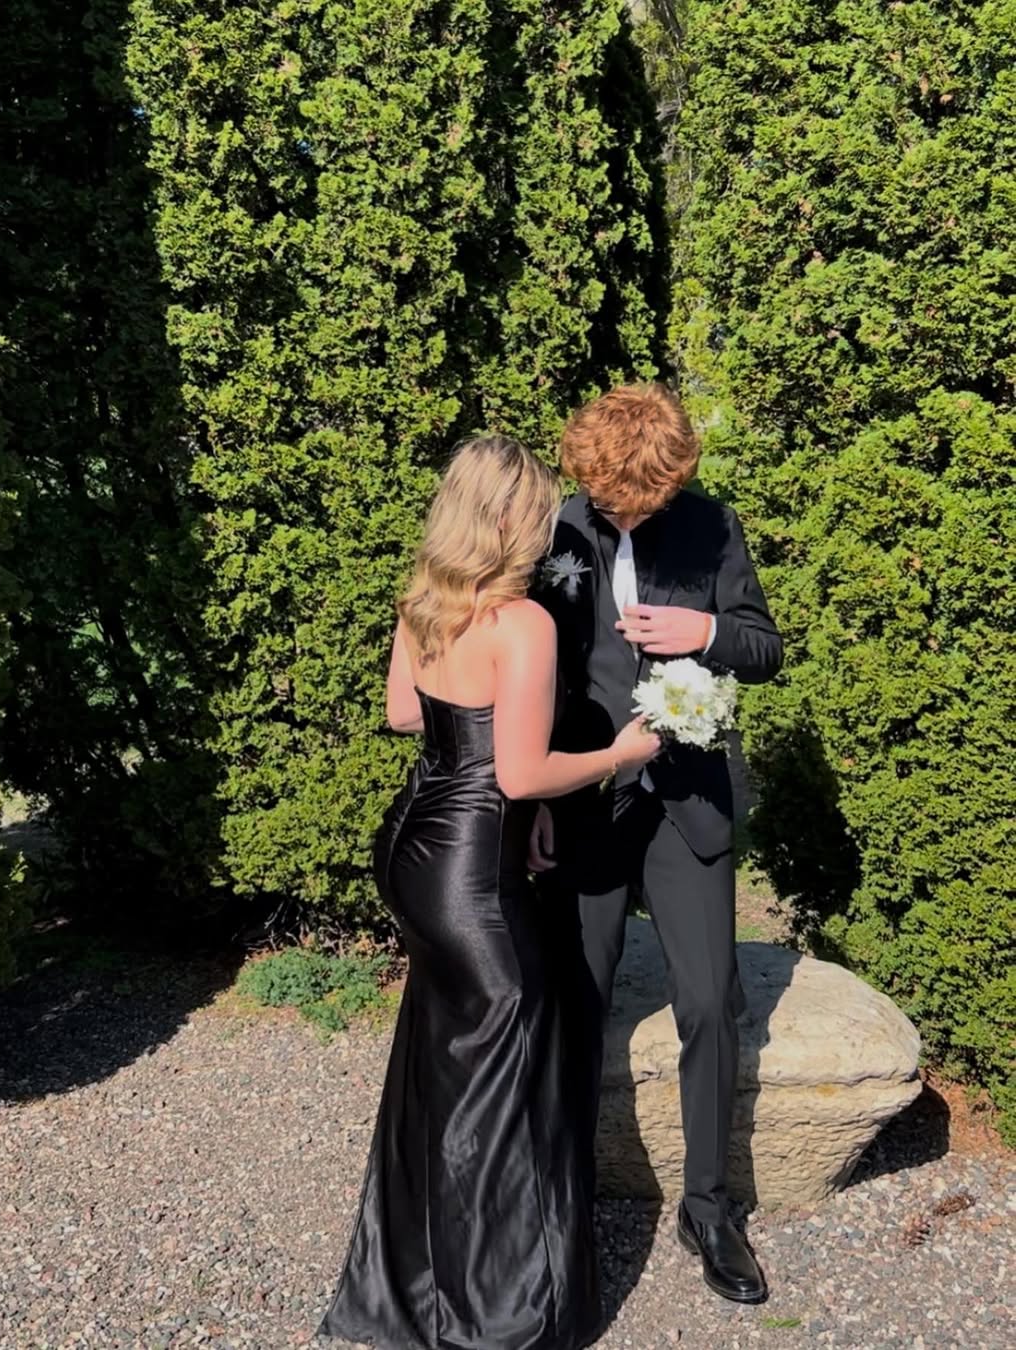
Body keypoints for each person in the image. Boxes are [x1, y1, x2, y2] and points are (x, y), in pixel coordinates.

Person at [320, 435, 661, 1350]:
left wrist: (509, 781)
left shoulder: (425, 600)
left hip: (412, 851)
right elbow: (519, 771)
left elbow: (405, 713)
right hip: (473, 872)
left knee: (447, 1056)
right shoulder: (522, 623)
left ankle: (418, 1287)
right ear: (509, 517)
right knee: (506, 1063)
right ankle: (498, 1312)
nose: (548, 527)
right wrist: (619, 754)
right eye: (539, 510)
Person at [531, 383, 783, 1305]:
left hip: (689, 802)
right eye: (613, 500)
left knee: (709, 1004)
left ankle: (709, 1208)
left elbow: (766, 649)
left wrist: (706, 631)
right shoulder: (554, 529)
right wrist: (538, 797)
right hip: (588, 797)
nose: (628, 514)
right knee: (576, 996)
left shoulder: (713, 525)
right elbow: (529, 670)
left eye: (646, 502)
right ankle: (557, 1200)